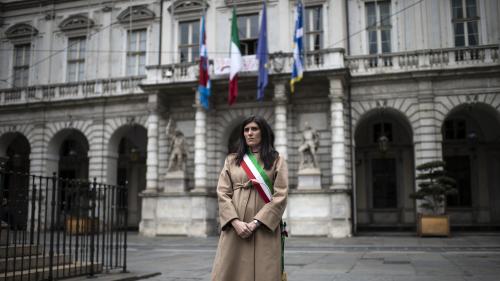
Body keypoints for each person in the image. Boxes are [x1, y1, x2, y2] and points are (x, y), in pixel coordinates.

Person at [211, 116, 288, 281]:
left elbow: (280, 195)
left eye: (254, 129)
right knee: (229, 271)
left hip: (264, 228)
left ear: (263, 132)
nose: (250, 133)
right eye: (246, 130)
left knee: (264, 271)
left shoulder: (277, 160)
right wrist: (235, 222)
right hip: (235, 227)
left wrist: (256, 223)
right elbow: (223, 193)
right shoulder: (231, 160)